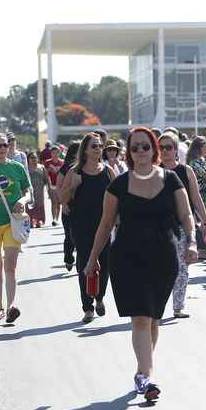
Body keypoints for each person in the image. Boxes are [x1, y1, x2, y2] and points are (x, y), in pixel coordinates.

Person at [84, 127, 196, 402]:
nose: (141, 152)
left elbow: (185, 214)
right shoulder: (118, 184)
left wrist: (192, 241)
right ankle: (148, 377)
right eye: (135, 148)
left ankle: (142, 370)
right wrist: (92, 259)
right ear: (129, 152)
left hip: (163, 256)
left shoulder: (170, 180)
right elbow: (105, 224)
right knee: (141, 318)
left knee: (153, 317)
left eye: (146, 146)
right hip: (127, 257)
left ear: (154, 149)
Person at [60, 133, 116, 323]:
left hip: (104, 225)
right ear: (85, 149)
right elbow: (63, 199)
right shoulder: (74, 172)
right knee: (84, 264)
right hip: (81, 226)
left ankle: (99, 297)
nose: (98, 149)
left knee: (105, 264)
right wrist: (73, 187)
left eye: (100, 146)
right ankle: (87, 307)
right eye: (94, 146)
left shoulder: (108, 172)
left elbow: (119, 198)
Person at [159, 132, 206, 318]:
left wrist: (205, 221)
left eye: (169, 147)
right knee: (160, 267)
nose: (165, 151)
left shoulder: (186, 171)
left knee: (181, 267)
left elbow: (196, 198)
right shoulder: (152, 171)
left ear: (175, 150)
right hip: (158, 227)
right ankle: (157, 305)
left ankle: (178, 306)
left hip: (181, 225)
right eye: (161, 148)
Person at [0, 132, 31, 323]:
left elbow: (28, 192)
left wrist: (22, 200)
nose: (2, 149)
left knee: (10, 265)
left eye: (4, 145)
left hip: (12, 222)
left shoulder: (17, 167)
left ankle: (12, 304)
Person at [56, 142, 80, 271]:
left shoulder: (87, 167)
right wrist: (63, 203)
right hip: (68, 207)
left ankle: (81, 263)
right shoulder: (66, 168)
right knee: (70, 235)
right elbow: (59, 187)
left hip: (82, 208)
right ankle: (69, 257)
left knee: (82, 237)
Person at [26, 152, 47, 228]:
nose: (34, 159)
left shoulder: (42, 167)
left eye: (35, 157)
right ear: (28, 159)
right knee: (29, 206)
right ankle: (31, 221)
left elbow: (46, 179)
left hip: (39, 190)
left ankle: (39, 221)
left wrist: (49, 189)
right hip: (29, 190)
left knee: (40, 205)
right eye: (32, 158)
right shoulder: (26, 168)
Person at [44, 145, 62, 226]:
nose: (55, 154)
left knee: (58, 203)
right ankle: (54, 219)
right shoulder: (47, 162)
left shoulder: (62, 162)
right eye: (53, 153)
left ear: (59, 153)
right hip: (51, 185)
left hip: (60, 186)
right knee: (53, 202)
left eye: (56, 153)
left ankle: (57, 219)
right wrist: (49, 185)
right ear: (51, 153)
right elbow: (46, 175)